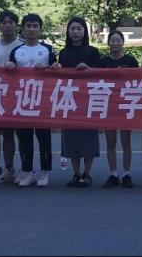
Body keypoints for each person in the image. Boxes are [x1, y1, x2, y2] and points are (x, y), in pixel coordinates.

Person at [6, 13, 56, 188]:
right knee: (24, 138)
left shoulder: (48, 49)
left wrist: (49, 67)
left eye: (35, 26)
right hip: (22, 100)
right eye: (28, 26)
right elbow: (10, 71)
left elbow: (57, 71)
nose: (31, 29)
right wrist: (9, 65)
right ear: (23, 29)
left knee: (44, 138)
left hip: (43, 100)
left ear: (40, 29)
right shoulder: (17, 51)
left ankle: (45, 171)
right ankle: (27, 171)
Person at [55, 17, 101, 188]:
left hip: (89, 99)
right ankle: (76, 173)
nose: (76, 32)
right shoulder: (63, 52)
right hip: (69, 99)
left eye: (79, 29)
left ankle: (87, 173)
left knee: (88, 137)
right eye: (73, 29)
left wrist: (89, 69)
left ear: (84, 31)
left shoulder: (93, 51)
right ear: (68, 31)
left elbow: (101, 73)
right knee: (71, 137)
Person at [99, 29, 138, 188]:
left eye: (118, 40)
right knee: (110, 142)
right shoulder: (102, 62)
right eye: (112, 40)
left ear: (123, 42)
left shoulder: (131, 60)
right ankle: (113, 174)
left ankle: (127, 174)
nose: (115, 43)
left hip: (126, 104)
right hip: (108, 104)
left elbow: (138, 80)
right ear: (108, 43)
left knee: (126, 141)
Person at [0, 10, 23, 184]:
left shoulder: (23, 46)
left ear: (16, 25)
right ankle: (8, 169)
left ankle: (26, 169)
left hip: (20, 94)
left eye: (10, 22)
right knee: (6, 134)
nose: (7, 25)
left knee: (24, 135)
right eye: (4, 23)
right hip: (0, 95)